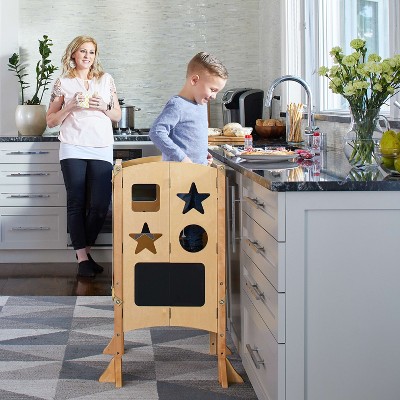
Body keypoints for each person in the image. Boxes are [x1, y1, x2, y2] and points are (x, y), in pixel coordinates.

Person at [46, 36, 121, 277]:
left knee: (100, 205)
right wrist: (70, 106)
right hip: (73, 146)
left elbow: (117, 116)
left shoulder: (106, 80)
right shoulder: (63, 83)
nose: (87, 56)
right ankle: (81, 259)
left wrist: (103, 107)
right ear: (73, 55)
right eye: (82, 51)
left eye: (91, 52)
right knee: (76, 202)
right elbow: (50, 121)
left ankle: (84, 253)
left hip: (101, 147)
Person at [149, 51, 228, 251]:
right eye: (213, 89)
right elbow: (157, 132)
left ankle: (194, 270)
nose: (214, 96)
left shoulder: (199, 104)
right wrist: (182, 157)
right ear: (194, 79)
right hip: (179, 179)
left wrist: (203, 155)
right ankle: (185, 272)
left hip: (196, 179)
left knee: (196, 227)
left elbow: (191, 137)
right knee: (184, 227)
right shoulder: (178, 105)